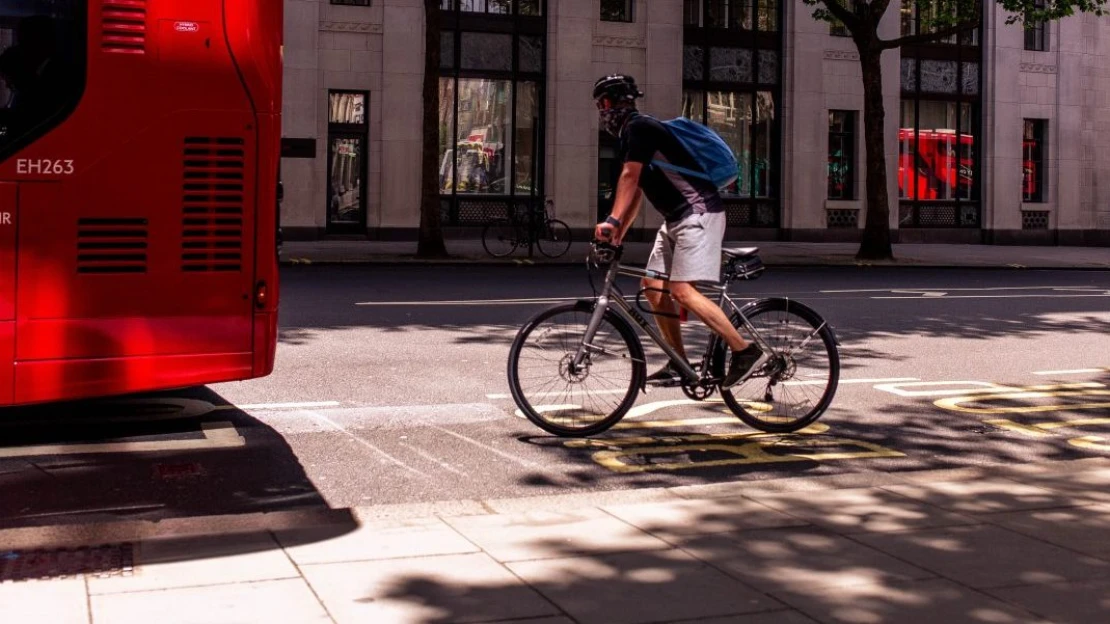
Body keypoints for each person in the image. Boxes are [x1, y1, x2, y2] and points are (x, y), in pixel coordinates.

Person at [591, 74, 768, 389]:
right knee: (653, 286)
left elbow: (629, 177)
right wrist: (620, 231)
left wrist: (612, 221)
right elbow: (637, 191)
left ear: (618, 101)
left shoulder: (639, 128)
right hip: (677, 219)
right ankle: (678, 361)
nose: (602, 112)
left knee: (681, 291)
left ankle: (745, 350)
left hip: (699, 213)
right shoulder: (631, 136)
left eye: (603, 103)